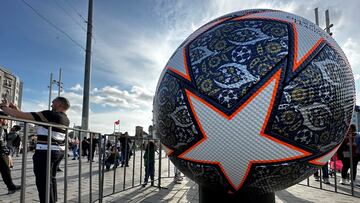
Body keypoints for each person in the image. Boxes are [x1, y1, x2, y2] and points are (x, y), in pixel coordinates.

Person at [0, 97, 70, 203]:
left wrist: (4, 107)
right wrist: (16, 109)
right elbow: (28, 118)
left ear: (59, 104)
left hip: (46, 152)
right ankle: (52, 200)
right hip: (58, 152)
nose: (51, 104)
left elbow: (22, 116)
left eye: (53, 102)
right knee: (51, 179)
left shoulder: (50, 115)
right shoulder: (64, 118)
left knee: (43, 182)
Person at [0, 117, 21, 194]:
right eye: (6, 119)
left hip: (3, 151)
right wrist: (6, 151)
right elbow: (0, 141)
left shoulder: (3, 129)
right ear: (2, 119)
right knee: (5, 169)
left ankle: (11, 186)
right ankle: (11, 187)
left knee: (5, 169)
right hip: (2, 152)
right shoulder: (1, 128)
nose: (7, 121)